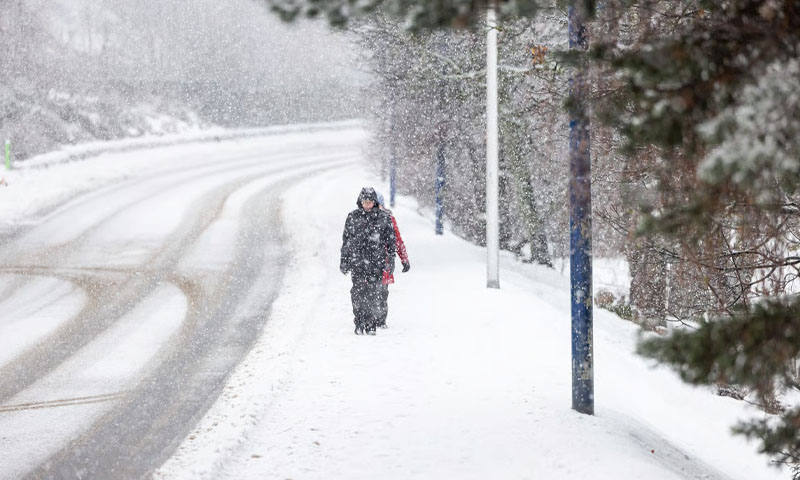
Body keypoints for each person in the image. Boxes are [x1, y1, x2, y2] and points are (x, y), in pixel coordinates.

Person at [340, 187, 396, 335]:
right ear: (360, 202)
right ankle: (359, 321)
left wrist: (391, 260)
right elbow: (346, 241)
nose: (367, 204)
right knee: (357, 293)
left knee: (372, 293)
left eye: (370, 201)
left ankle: (371, 323)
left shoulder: (384, 218)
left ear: (374, 202)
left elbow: (391, 242)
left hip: (376, 263)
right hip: (357, 262)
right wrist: (344, 260)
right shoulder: (352, 217)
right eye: (365, 201)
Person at [375, 192, 410, 328]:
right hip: (385, 261)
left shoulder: (387, 218)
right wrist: (404, 259)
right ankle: (380, 319)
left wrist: (404, 259)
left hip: (384, 260)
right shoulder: (387, 217)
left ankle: (377, 318)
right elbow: (398, 241)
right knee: (382, 291)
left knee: (376, 290)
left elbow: (397, 240)